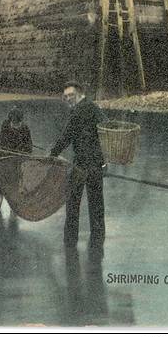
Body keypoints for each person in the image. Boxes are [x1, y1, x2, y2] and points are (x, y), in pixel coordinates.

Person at [50, 82, 107, 249]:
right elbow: (106, 126)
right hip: (96, 163)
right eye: (65, 97)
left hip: (81, 164)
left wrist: (52, 153)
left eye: (71, 96)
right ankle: (98, 239)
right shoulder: (94, 107)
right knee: (96, 202)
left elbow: (66, 136)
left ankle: (70, 240)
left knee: (73, 202)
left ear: (80, 94)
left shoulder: (77, 111)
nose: (68, 99)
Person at [0, 106, 33, 216]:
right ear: (10, 120)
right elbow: (1, 144)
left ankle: (13, 214)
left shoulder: (25, 128)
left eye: (17, 124)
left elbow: (29, 147)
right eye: (13, 123)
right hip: (3, 162)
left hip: (16, 163)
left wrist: (22, 153)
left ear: (21, 122)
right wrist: (2, 153)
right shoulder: (5, 125)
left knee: (14, 189)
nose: (15, 125)